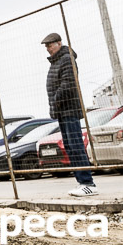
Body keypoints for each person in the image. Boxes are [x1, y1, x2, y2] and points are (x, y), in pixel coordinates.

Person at [42, 32, 97, 196]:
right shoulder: (56, 62)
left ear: (59, 43)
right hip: (62, 110)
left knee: (75, 145)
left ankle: (88, 183)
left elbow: (68, 84)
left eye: (49, 45)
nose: (48, 49)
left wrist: (55, 101)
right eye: (46, 47)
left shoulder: (66, 59)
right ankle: (81, 182)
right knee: (70, 147)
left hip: (69, 109)